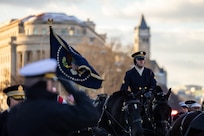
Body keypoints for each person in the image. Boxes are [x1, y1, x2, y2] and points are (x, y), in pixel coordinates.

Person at [6, 58, 100, 136]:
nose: (54, 86)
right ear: (47, 83)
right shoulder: (54, 110)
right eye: (52, 81)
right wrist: (73, 89)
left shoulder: (13, 113)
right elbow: (91, 116)